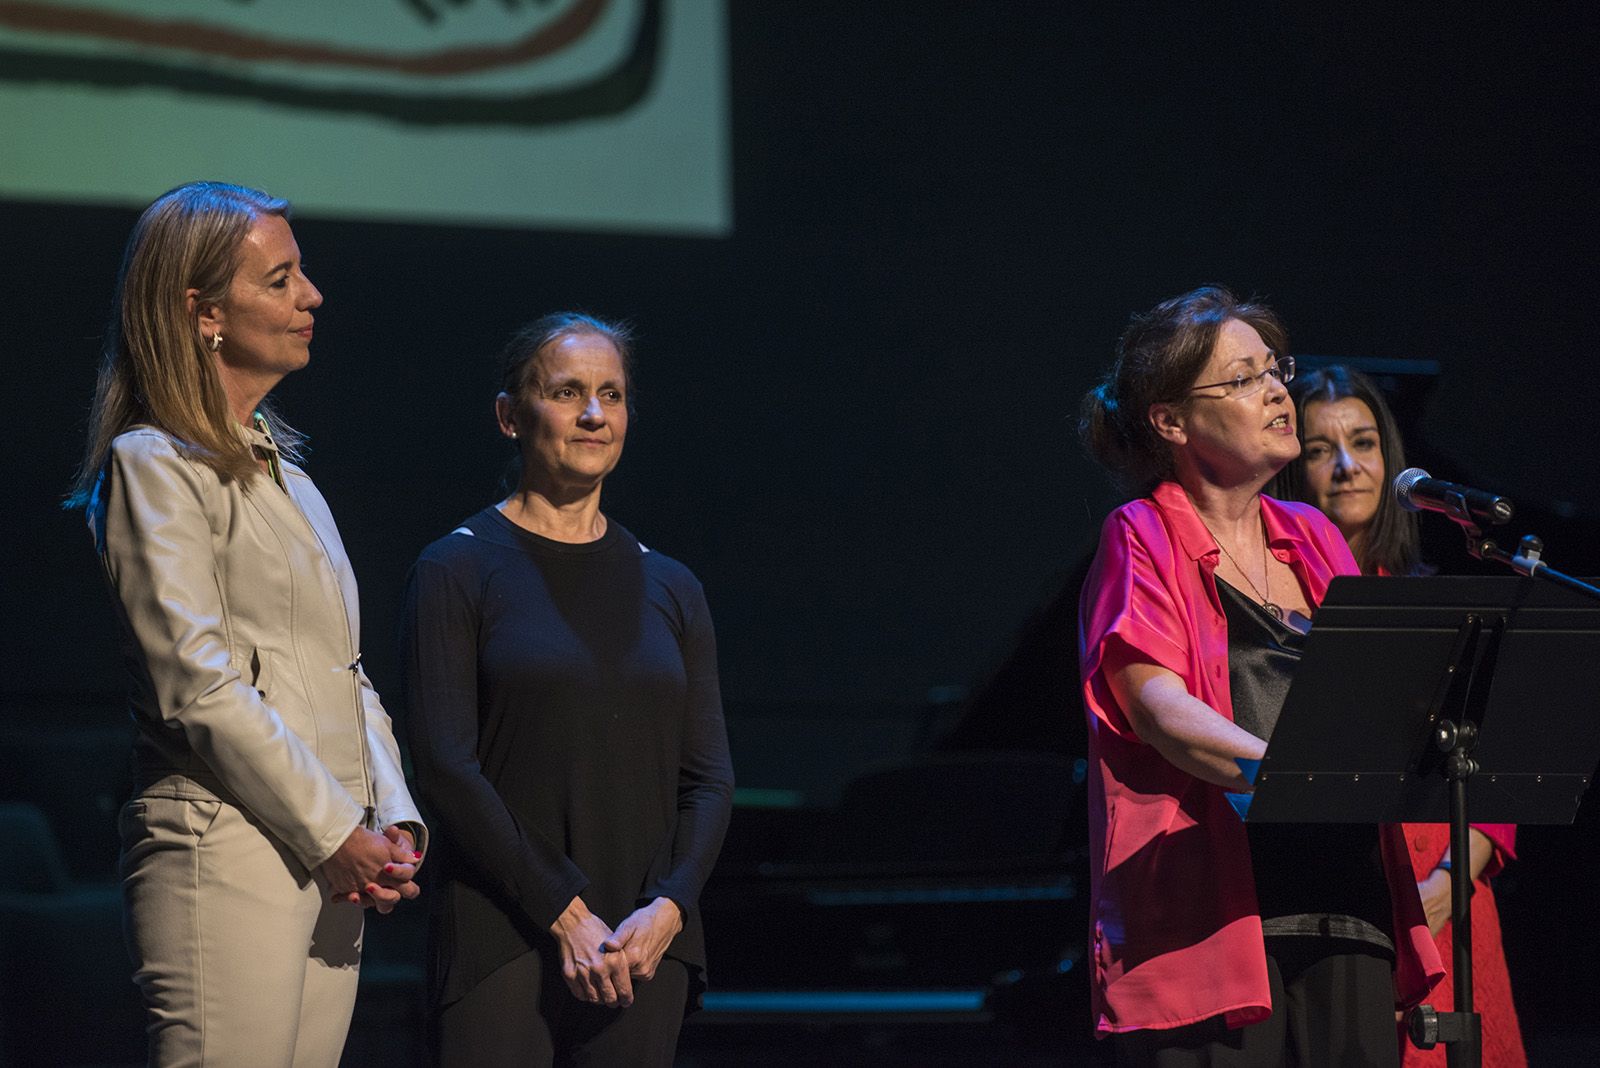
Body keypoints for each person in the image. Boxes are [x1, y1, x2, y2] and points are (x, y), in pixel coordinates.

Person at [66, 181, 426, 1065]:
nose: (312, 296)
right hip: (226, 848)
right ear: (204, 314)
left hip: (333, 855)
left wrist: (390, 821)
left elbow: (346, 671)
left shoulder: (292, 480)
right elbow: (197, 685)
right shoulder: (153, 463)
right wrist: (336, 831)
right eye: (281, 279)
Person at [1077, 286, 1443, 1065]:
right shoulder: (1141, 534)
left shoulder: (1313, 534)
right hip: (1215, 914)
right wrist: (1290, 776)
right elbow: (1158, 707)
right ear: (1171, 421)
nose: (1277, 392)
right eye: (1244, 378)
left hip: (1346, 897)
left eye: (1276, 370)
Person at [400, 312, 734, 1067]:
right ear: (510, 416)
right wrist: (564, 912)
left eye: (611, 395)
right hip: (504, 931)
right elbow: (446, 766)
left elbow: (710, 777)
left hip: (644, 942)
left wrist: (670, 906)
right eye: (566, 392)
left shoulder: (671, 584)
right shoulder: (456, 569)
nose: (593, 414)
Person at [1281, 365, 1526, 1067]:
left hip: (1451, 899)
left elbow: (1493, 776)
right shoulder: (1277, 609)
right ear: (1292, 469)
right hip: (1350, 912)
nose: (1347, 465)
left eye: (1363, 443)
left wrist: (1447, 888)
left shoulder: (1432, 606)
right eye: (1320, 449)